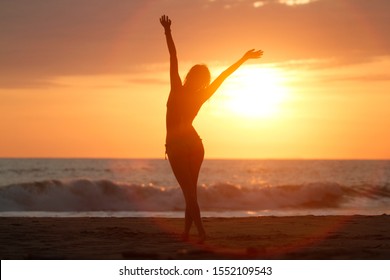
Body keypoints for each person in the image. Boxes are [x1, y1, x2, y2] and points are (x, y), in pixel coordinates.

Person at [160, 15, 263, 242]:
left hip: (178, 146)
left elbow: (173, 57)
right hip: (195, 144)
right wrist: (244, 58)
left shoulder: (177, 88)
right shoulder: (202, 95)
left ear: (190, 77)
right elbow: (224, 76)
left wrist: (168, 31)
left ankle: (202, 233)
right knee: (191, 193)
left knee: (189, 193)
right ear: (203, 82)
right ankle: (188, 233)